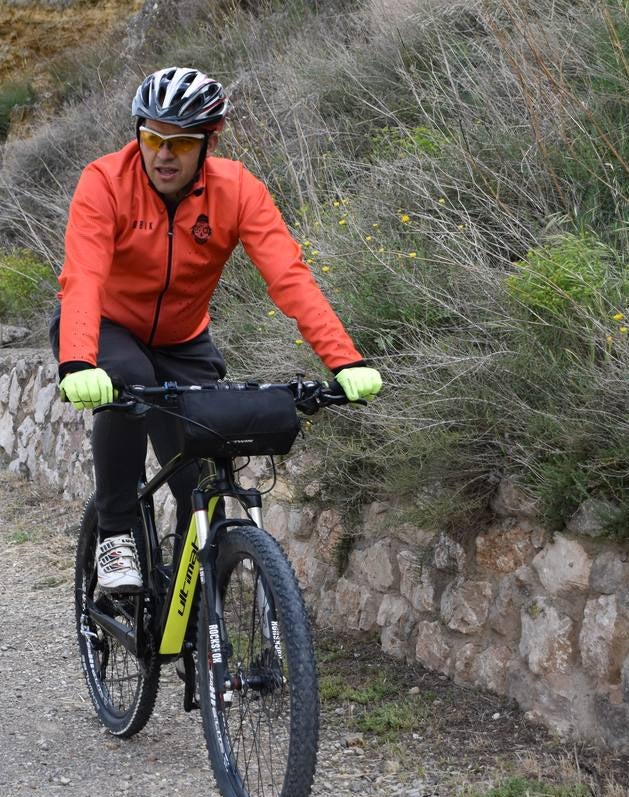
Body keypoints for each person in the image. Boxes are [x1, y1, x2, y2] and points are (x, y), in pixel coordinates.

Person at [54, 66, 383, 591]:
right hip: (108, 328)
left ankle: (197, 612)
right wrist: (77, 360)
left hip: (184, 341)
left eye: (180, 143)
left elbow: (288, 277)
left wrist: (345, 360)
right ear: (138, 132)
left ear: (209, 141)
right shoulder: (105, 181)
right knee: (125, 384)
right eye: (152, 138)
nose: (163, 154)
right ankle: (116, 532)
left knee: (199, 479)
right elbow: (85, 274)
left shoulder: (236, 190)